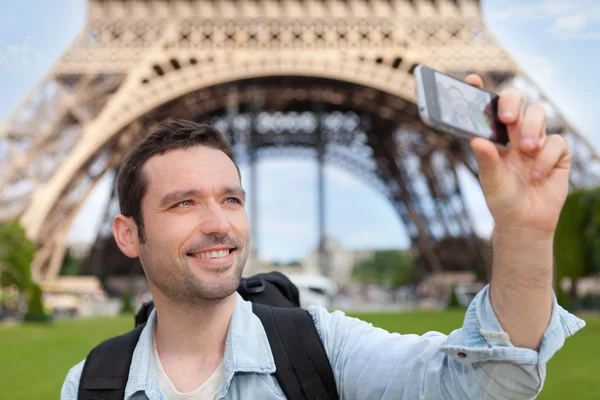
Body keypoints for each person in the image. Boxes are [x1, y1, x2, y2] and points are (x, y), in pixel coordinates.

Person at [60, 75, 584, 399]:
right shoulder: (89, 385)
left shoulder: (321, 347)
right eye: (184, 202)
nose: (218, 222)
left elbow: (484, 385)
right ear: (129, 235)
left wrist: (523, 232)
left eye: (232, 199)